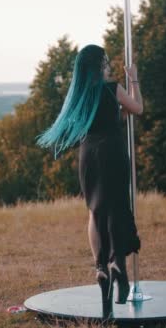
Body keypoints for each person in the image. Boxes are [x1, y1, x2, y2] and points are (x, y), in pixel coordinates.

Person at [37, 44, 143, 313]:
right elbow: (137, 108)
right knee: (118, 207)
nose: (108, 65)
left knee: (96, 212)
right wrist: (133, 78)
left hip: (89, 157)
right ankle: (118, 263)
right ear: (100, 64)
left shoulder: (79, 98)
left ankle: (101, 269)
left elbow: (116, 115)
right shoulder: (111, 88)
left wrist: (120, 110)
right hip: (113, 153)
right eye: (105, 61)